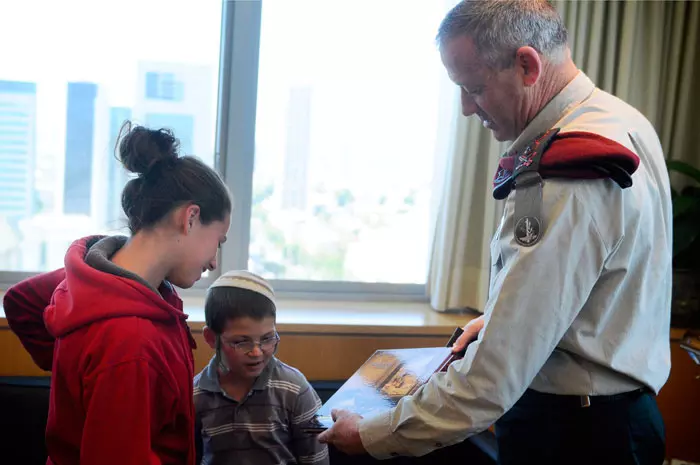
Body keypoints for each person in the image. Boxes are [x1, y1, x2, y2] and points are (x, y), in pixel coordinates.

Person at [318, 1, 671, 464]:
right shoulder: (618, 119)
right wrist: (504, 316)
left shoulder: (566, 175)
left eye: (474, 88)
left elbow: (492, 377)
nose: (467, 108)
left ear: (527, 64)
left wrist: (373, 435)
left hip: (576, 433)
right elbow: (606, 286)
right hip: (609, 419)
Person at [3, 123, 232, 465]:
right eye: (218, 241)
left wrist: (81, 382)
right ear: (191, 218)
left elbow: (22, 300)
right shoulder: (131, 343)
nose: (214, 261)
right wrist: (95, 375)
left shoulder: (95, 275)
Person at [194, 270, 329, 465]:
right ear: (210, 338)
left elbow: (316, 458)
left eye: (267, 339)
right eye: (241, 342)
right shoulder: (196, 395)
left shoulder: (294, 389)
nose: (257, 352)